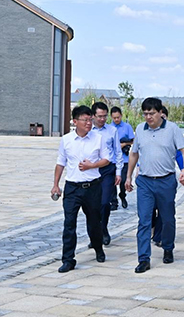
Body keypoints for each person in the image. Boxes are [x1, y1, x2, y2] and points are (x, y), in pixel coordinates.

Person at [125, 97, 184, 273]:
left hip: (166, 181)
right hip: (145, 181)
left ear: (161, 113)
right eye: (145, 113)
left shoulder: (172, 129)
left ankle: (168, 247)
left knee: (167, 218)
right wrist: (128, 176)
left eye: (152, 113)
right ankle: (143, 258)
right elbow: (134, 154)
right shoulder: (140, 129)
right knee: (144, 220)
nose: (148, 117)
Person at [51, 105, 110, 273]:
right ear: (75, 121)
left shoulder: (98, 138)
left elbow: (106, 159)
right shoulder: (66, 140)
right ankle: (68, 259)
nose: (89, 123)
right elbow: (60, 162)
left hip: (92, 187)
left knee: (94, 222)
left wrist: (92, 165)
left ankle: (98, 248)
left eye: (90, 119)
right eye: (85, 120)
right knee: (69, 223)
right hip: (72, 188)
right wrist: (55, 184)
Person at [88, 102, 122, 246]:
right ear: (93, 116)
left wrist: (118, 172)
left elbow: (118, 152)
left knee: (104, 203)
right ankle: (95, 235)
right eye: (99, 116)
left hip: (108, 170)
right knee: (92, 205)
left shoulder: (112, 131)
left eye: (104, 116)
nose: (102, 119)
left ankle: (103, 229)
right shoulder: (88, 131)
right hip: (91, 170)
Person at [151, 106, 184, 247]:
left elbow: (179, 154)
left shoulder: (171, 132)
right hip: (148, 178)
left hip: (165, 179)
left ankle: (160, 236)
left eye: (163, 117)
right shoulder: (146, 131)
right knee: (150, 209)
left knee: (164, 209)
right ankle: (153, 230)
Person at [109, 106, 134, 209]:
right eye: (114, 118)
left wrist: (124, 144)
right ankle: (113, 202)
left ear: (121, 116)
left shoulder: (127, 127)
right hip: (112, 159)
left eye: (118, 117)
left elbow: (133, 140)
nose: (116, 119)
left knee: (123, 180)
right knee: (111, 182)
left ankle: (122, 195)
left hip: (124, 159)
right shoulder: (109, 128)